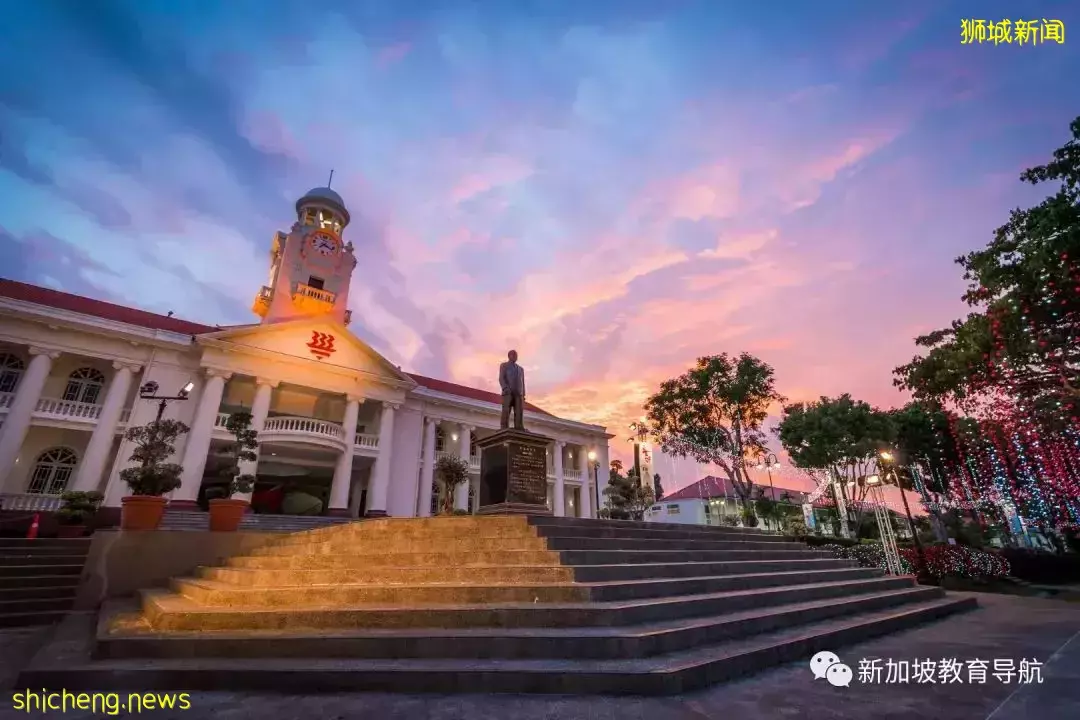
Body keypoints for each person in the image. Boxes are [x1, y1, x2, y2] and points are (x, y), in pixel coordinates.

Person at [498, 349, 526, 429]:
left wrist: (523, 394)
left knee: (519, 412)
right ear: (509, 356)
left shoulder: (520, 369)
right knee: (506, 410)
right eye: (513, 355)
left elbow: (522, 382)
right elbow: (501, 378)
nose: (515, 357)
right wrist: (505, 388)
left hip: (518, 393)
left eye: (516, 355)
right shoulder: (504, 365)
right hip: (508, 392)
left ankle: (519, 427)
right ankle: (504, 427)